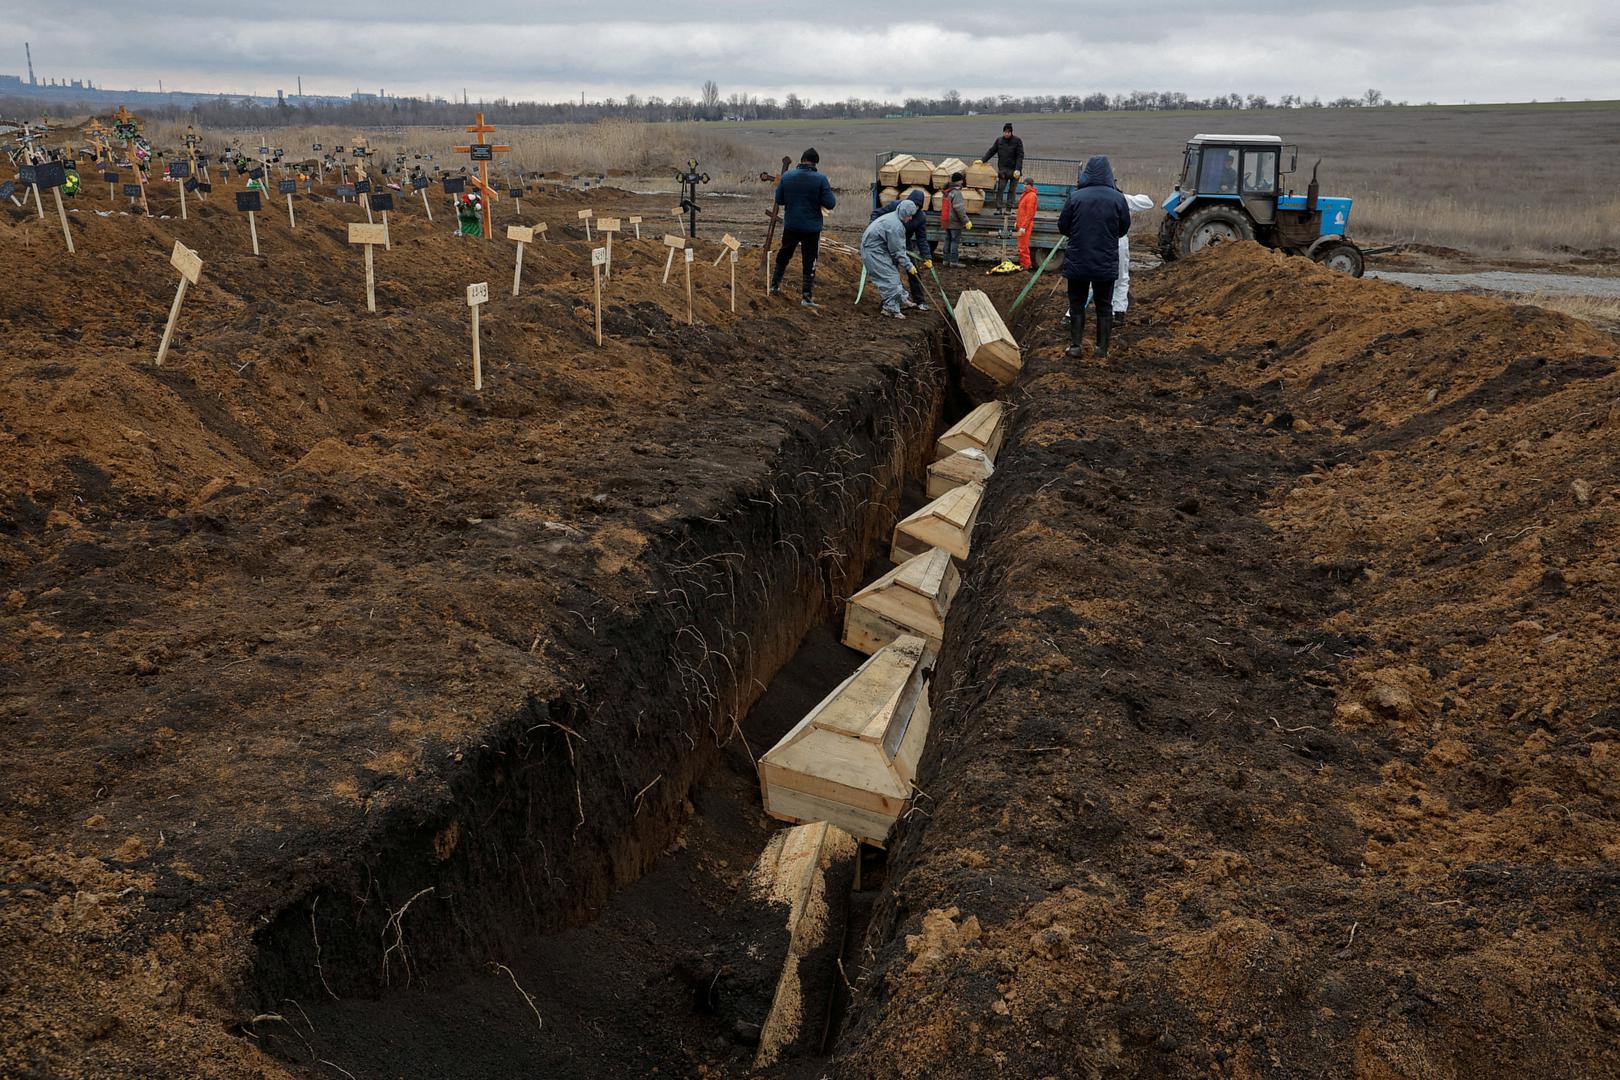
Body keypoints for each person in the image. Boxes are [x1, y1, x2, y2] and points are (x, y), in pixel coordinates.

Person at [1056, 156, 1130, 360]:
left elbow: (1063, 226)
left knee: (1077, 303)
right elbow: (1123, 229)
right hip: (1104, 261)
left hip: (1078, 260)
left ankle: (1076, 346)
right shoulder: (1118, 199)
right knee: (1104, 305)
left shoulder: (1076, 197)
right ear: (1109, 174)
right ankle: (1102, 349)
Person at [771, 147, 837, 308]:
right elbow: (830, 203)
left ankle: (774, 285)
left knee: (784, 253)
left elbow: (779, 199)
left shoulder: (787, 176)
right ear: (815, 163)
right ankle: (806, 297)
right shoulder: (820, 179)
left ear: (801, 160)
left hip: (791, 224)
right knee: (809, 260)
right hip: (811, 227)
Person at [869, 188, 934, 310]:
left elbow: (921, 238)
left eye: (918, 206)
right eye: (914, 204)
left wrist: (927, 256)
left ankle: (919, 300)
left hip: (905, 244)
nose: (915, 208)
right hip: (889, 243)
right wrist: (873, 229)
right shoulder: (895, 206)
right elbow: (876, 214)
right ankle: (889, 301)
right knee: (891, 273)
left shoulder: (920, 217)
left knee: (913, 272)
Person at [861, 199, 920, 319]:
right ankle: (890, 309)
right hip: (874, 252)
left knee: (893, 274)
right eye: (909, 216)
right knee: (889, 279)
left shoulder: (894, 217)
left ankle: (902, 298)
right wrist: (909, 266)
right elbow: (898, 251)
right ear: (904, 213)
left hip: (878, 250)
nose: (910, 219)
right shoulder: (895, 226)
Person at [1111, 191, 1156, 328]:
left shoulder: (1088, 198)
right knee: (1121, 279)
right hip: (1118, 243)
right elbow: (1148, 202)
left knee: (1090, 279)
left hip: (1095, 243)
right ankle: (1118, 313)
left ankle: (1071, 315)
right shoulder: (1122, 199)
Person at [977, 123, 1025, 214]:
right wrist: (982, 160)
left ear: (1011, 132)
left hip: (1015, 170)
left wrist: (1018, 169)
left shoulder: (1017, 141)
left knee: (1012, 190)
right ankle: (999, 208)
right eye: (1005, 132)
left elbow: (1020, 155)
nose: (1006, 134)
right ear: (1003, 132)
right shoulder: (999, 141)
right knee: (1000, 189)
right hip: (1003, 170)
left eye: (1008, 132)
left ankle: (1008, 209)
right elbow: (991, 151)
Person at [939, 172, 970, 268]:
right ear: (959, 181)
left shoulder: (947, 191)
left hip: (946, 220)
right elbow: (959, 208)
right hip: (954, 222)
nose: (962, 182)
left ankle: (945, 260)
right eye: (961, 180)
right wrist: (966, 221)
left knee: (947, 239)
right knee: (954, 241)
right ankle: (953, 262)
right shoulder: (956, 193)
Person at [1014, 176, 1039, 269]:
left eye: (1026, 184)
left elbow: (1029, 213)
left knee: (1023, 247)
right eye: (1024, 184)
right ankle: (1024, 264)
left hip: (1025, 225)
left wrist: (1024, 226)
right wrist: (1017, 222)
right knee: (1021, 246)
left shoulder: (1031, 196)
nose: (1024, 186)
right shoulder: (1026, 194)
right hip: (1022, 224)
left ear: (1030, 185)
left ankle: (1026, 266)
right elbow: (1021, 211)